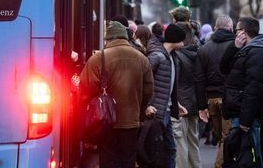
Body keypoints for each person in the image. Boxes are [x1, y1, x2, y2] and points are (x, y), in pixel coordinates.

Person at [80, 21, 154, 168]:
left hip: (106, 122)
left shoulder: (98, 58)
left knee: (108, 160)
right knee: (128, 159)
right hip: (131, 122)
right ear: (125, 37)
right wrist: (139, 111)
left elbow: (86, 87)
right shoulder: (142, 58)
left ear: (108, 39)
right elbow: (149, 90)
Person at [220, 17, 263, 166]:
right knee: (241, 156)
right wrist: (234, 47)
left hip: (247, 116)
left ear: (243, 32)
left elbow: (253, 89)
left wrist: (245, 120)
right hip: (240, 111)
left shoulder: (258, 53)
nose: (235, 34)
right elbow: (224, 68)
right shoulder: (244, 49)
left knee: (250, 156)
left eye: (237, 30)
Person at [196, 15, 235, 168]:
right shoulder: (235, 46)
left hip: (211, 99)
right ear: (231, 28)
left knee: (221, 138)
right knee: (226, 138)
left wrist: (201, 106)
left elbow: (199, 79)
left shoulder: (204, 49)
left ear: (216, 28)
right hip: (229, 99)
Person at [145, 23, 187, 168]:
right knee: (161, 149)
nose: (184, 43)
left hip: (165, 109)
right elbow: (143, 79)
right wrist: (147, 105)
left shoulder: (171, 56)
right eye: (182, 39)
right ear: (175, 40)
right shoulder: (158, 56)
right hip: (158, 111)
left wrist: (176, 104)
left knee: (169, 148)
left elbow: (168, 85)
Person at [173, 22, 203, 168]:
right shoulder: (198, 52)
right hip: (194, 101)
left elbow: (175, 82)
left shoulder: (177, 56)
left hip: (181, 103)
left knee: (180, 143)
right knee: (193, 141)